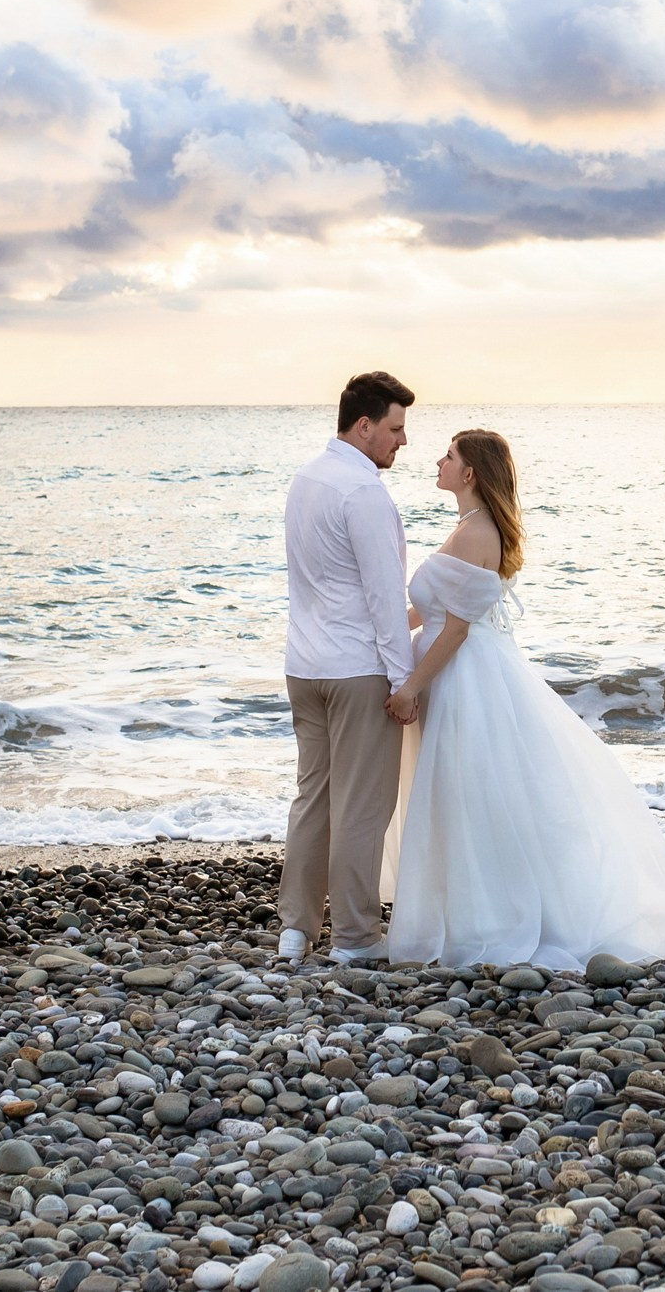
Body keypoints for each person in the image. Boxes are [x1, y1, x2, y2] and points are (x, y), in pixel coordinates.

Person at [382, 428, 665, 970]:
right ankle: (464, 908)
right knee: (465, 792)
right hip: (459, 674)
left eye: (449, 455)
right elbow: (431, 611)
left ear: (470, 472)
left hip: (462, 680)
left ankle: (489, 916)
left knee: (469, 793)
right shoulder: (468, 527)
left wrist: (412, 686)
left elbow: (455, 629)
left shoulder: (477, 533)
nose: (438, 460)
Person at [278, 371, 416, 966]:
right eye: (394, 428)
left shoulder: (305, 479)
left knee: (315, 798)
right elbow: (385, 597)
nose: (402, 442)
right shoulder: (363, 493)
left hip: (303, 666)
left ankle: (295, 931)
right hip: (356, 668)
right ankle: (357, 937)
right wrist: (404, 679)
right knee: (362, 805)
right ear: (364, 426)